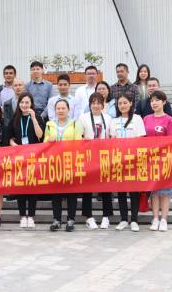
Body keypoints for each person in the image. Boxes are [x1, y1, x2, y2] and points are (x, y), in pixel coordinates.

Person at [44, 99, 84, 232]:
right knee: (56, 193)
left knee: (71, 192)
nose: (60, 110)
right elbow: (44, 143)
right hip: (55, 163)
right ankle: (57, 219)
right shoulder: (49, 124)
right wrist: (49, 140)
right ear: (55, 110)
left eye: (63, 108)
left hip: (70, 162)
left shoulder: (75, 124)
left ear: (68, 110)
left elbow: (78, 141)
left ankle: (71, 219)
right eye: (58, 108)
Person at [109, 94, 146, 232]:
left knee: (134, 191)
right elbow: (112, 140)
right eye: (120, 103)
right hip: (119, 159)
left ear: (131, 103)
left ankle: (134, 220)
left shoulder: (137, 119)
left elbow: (141, 139)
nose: (122, 105)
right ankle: (124, 219)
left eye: (125, 103)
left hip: (134, 159)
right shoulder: (114, 121)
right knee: (121, 191)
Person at [9, 93, 45, 228]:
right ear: (19, 104)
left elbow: (40, 135)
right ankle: (23, 216)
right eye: (22, 102)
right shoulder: (14, 119)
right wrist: (13, 143)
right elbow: (9, 137)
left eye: (27, 102)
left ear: (31, 104)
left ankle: (31, 216)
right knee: (21, 188)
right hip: (19, 158)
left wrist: (34, 118)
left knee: (32, 188)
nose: (24, 105)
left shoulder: (38, 117)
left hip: (33, 158)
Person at [143, 91, 172, 232]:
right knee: (154, 190)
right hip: (150, 159)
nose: (154, 103)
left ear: (164, 102)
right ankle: (155, 218)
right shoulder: (146, 118)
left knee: (166, 191)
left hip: (164, 158)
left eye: (157, 100)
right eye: (152, 100)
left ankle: (164, 219)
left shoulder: (169, 120)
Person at [79, 92, 113, 229]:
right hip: (88, 156)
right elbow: (79, 136)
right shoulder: (83, 117)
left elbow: (111, 136)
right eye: (93, 103)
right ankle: (88, 216)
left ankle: (106, 216)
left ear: (103, 105)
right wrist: (85, 140)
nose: (96, 105)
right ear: (90, 105)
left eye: (98, 103)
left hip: (104, 156)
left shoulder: (108, 118)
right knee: (87, 187)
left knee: (106, 187)